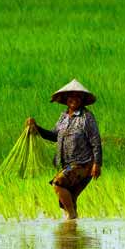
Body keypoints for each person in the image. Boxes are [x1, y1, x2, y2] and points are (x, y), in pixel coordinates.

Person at [26, 78, 103, 220]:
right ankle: (72, 233)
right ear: (66, 98)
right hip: (66, 165)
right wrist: (36, 128)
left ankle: (71, 216)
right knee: (68, 200)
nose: (74, 99)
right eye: (71, 96)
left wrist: (97, 164)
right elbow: (54, 135)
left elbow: (96, 142)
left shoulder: (87, 117)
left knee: (58, 183)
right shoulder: (63, 117)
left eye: (78, 96)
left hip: (83, 164)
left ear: (83, 99)